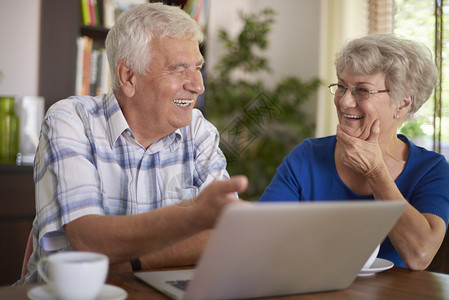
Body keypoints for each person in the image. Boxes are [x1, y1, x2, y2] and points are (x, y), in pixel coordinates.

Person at [17, 2, 248, 284]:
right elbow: (88, 239)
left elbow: (227, 236)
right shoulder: (71, 120)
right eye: (179, 69)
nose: (198, 85)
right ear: (128, 77)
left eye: (197, 67)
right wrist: (193, 218)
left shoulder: (199, 130)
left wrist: (132, 263)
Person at [259, 33, 449, 270]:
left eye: (362, 90)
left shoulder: (430, 169)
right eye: (341, 86)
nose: (344, 101)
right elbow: (260, 239)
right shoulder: (306, 157)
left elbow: (419, 255)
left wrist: (375, 171)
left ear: (402, 103)